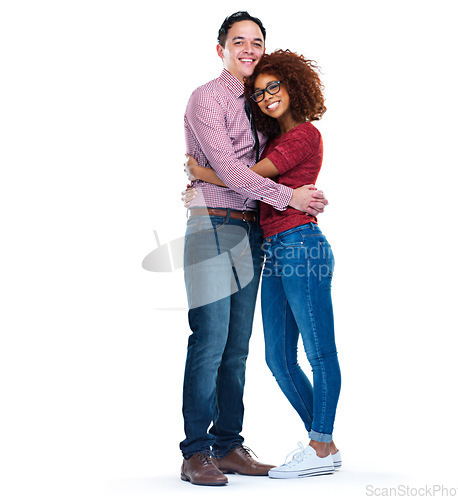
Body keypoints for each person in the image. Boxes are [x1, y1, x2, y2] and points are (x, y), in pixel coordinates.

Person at [180, 12, 328, 486]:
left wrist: (297, 192)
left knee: (238, 347)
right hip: (213, 226)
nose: (248, 49)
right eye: (238, 41)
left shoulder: (261, 106)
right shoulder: (207, 98)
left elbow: (270, 168)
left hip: (252, 230)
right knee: (209, 339)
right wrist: (291, 197)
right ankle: (195, 452)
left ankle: (227, 446)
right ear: (220, 48)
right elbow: (235, 170)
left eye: (257, 42)